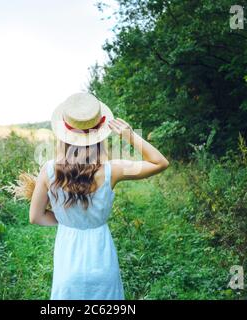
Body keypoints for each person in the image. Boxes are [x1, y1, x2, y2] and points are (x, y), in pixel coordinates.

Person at [29, 92, 169, 299]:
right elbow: (160, 163)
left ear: (64, 135)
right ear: (99, 135)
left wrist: (69, 220)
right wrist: (129, 135)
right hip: (102, 262)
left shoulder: (49, 171)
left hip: (68, 264)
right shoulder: (113, 170)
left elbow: (35, 217)